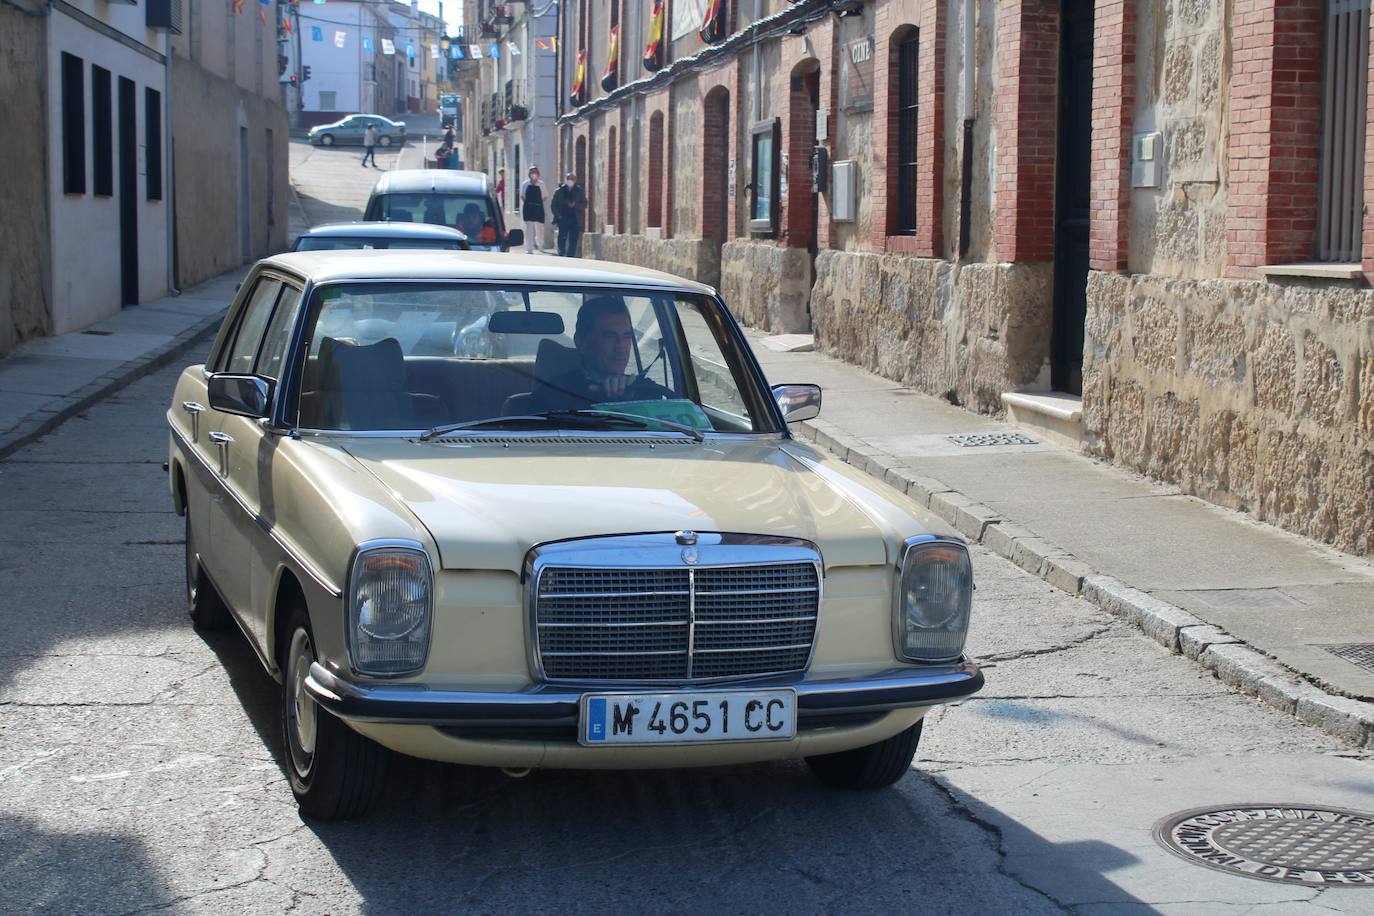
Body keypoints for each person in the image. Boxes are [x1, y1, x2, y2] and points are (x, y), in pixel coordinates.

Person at [530, 296, 674, 412]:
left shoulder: (645, 391)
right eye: (610, 336)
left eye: (626, 336)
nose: (621, 347)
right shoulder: (555, 394)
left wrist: (630, 402)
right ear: (581, 342)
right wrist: (604, 398)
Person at [550, 172, 587, 258]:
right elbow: (553, 205)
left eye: (572, 179)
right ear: (566, 180)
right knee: (562, 236)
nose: (570, 180)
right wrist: (558, 216)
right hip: (563, 217)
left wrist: (575, 205)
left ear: (575, 180)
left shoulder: (579, 191)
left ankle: (571, 255)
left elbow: (584, 204)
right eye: (569, 179)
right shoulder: (559, 191)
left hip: (575, 218)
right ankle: (561, 252)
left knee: (573, 238)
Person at [519, 166, 547, 254]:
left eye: (535, 172)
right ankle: (529, 248)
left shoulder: (541, 184)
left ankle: (540, 245)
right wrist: (529, 204)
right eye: (531, 172)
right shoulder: (525, 184)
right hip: (528, 208)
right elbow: (522, 196)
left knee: (539, 227)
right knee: (529, 228)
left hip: (538, 207)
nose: (533, 174)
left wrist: (538, 203)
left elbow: (545, 196)